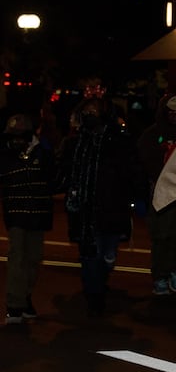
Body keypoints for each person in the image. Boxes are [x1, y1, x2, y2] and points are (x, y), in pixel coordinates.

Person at [57, 97, 142, 316]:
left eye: (94, 111)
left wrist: (137, 195)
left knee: (107, 254)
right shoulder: (75, 143)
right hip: (84, 211)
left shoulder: (119, 141)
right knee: (89, 256)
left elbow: (132, 172)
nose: (89, 116)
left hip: (112, 208)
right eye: (86, 112)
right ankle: (94, 296)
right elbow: (62, 172)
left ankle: (101, 278)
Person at [137, 94, 176, 296]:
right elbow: (145, 161)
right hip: (162, 194)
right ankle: (160, 275)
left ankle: (175, 270)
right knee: (163, 236)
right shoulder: (151, 134)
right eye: (171, 111)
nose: (175, 115)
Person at [1, 114, 54, 323]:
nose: (18, 138)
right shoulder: (5, 151)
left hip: (39, 212)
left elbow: (52, 175)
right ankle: (14, 304)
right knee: (17, 257)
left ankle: (25, 296)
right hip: (15, 211)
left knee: (33, 258)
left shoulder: (42, 149)